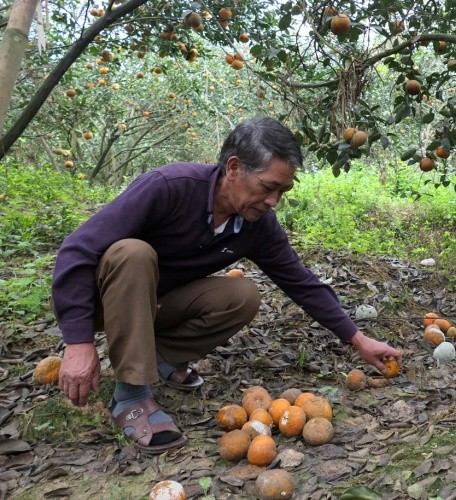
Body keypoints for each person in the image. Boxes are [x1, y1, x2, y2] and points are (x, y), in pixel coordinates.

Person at [51, 117, 402, 453]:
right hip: (107, 301)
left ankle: (159, 358)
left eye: (283, 191)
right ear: (233, 168)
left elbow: (302, 283)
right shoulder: (169, 187)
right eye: (268, 187)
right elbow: (78, 249)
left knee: (242, 295)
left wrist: (357, 338)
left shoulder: (256, 225)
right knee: (133, 253)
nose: (273, 201)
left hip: (156, 304)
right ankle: (130, 395)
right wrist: (78, 341)